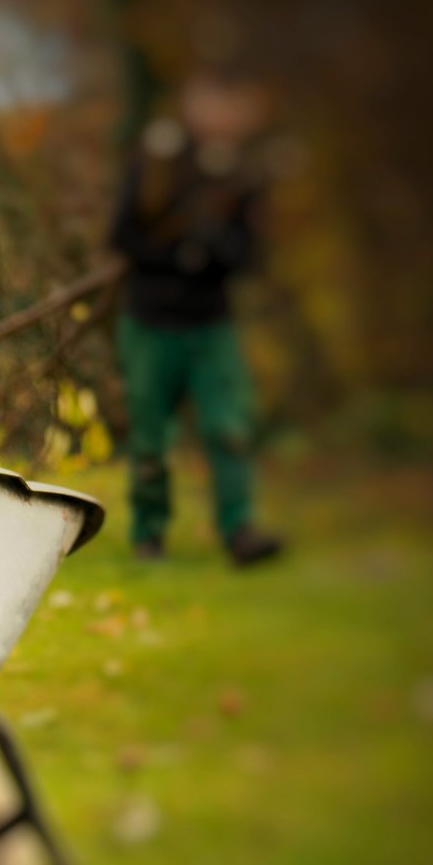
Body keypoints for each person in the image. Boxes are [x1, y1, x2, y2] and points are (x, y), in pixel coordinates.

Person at [110, 69, 284, 566]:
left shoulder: (246, 175)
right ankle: (149, 536)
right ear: (191, 102)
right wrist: (181, 258)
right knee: (149, 438)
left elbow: (249, 255)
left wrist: (211, 251)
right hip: (150, 322)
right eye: (210, 99)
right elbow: (123, 236)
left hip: (211, 325)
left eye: (230, 103)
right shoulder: (159, 160)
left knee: (229, 427)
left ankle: (240, 531)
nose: (220, 114)